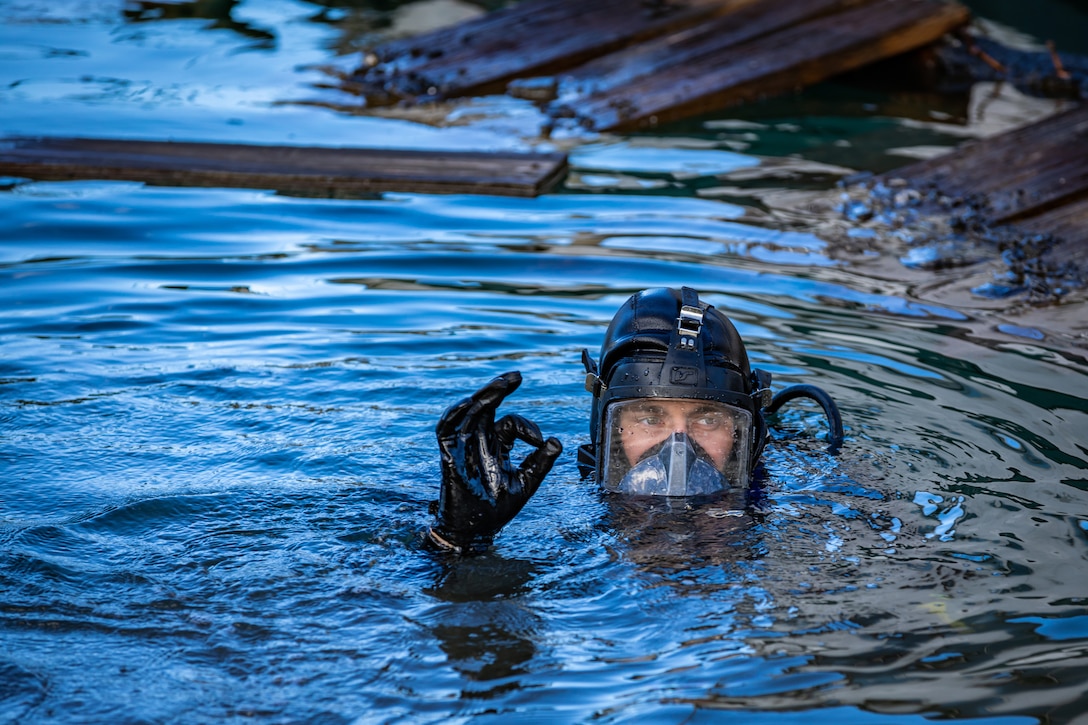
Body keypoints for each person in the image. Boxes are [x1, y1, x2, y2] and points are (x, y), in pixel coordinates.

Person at [426, 287, 843, 555]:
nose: (678, 449)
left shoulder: (810, 507)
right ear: (604, 429)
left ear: (746, 434)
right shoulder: (552, 506)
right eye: (648, 417)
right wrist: (457, 540)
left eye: (708, 418)